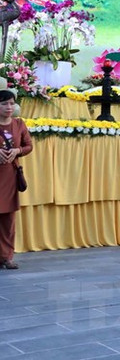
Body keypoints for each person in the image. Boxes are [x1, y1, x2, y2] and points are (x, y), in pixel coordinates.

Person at [0, 89, 32, 270]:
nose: (9, 107)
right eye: (4, 103)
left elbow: (28, 146)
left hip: (10, 177)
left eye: (11, 103)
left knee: (8, 220)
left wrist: (17, 151)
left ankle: (6, 257)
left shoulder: (19, 124)